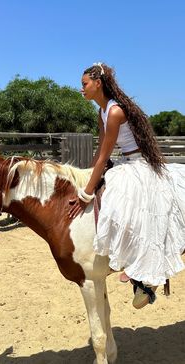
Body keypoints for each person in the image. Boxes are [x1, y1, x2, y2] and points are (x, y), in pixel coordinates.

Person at [69, 62, 185, 309]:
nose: (81, 89)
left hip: (138, 164)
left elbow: (104, 156)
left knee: (125, 201)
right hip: (124, 161)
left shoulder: (114, 112)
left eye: (84, 84)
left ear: (97, 83)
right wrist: (88, 176)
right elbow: (100, 150)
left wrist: (86, 192)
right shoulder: (101, 112)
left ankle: (145, 278)